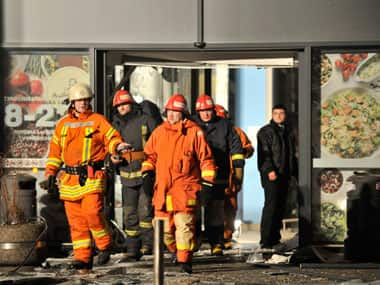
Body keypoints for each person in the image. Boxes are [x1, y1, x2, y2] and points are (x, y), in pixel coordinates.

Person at [43, 83, 130, 273]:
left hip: (92, 176)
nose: (82, 103)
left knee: (92, 213)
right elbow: (55, 153)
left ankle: (105, 244)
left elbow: (112, 138)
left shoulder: (98, 120)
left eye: (85, 100)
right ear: (72, 102)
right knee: (77, 223)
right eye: (79, 100)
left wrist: (119, 147)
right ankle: (83, 258)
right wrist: (50, 173)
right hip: (69, 180)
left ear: (89, 101)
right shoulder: (63, 125)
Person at [141, 94, 216, 274]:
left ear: (183, 113)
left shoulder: (194, 132)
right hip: (162, 190)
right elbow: (149, 156)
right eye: (170, 111)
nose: (172, 115)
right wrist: (147, 173)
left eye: (176, 112)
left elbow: (206, 159)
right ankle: (178, 251)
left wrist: (207, 184)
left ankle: (185, 260)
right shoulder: (159, 132)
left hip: (185, 188)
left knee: (184, 225)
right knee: (164, 231)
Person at [110, 89, 160, 261]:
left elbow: (157, 143)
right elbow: (108, 146)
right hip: (126, 175)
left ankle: (148, 244)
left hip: (145, 173)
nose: (122, 108)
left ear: (131, 104)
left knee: (145, 212)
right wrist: (113, 158)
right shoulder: (115, 124)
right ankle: (133, 246)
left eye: (125, 104)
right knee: (129, 212)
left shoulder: (145, 120)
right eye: (119, 106)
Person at [193, 95, 245, 256]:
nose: (206, 114)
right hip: (195, 176)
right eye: (203, 111)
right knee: (192, 209)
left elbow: (236, 149)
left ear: (213, 110)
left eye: (208, 111)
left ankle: (216, 243)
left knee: (215, 211)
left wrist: (237, 172)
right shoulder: (191, 125)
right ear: (198, 112)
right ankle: (193, 241)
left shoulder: (225, 126)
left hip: (219, 175)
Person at [256, 104, 297, 251]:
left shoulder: (287, 132)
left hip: (284, 175)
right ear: (272, 115)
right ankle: (266, 241)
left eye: (281, 113)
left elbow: (292, 154)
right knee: (271, 207)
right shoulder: (266, 131)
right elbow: (264, 153)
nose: (279, 116)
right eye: (276, 113)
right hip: (272, 175)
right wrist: (269, 170)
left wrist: (294, 172)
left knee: (280, 208)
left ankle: (275, 239)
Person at [214, 104, 254, 250]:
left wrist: (241, 152)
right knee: (215, 208)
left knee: (230, 208)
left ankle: (226, 236)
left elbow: (248, 148)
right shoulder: (208, 130)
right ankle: (216, 236)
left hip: (231, 178)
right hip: (216, 176)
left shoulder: (235, 131)